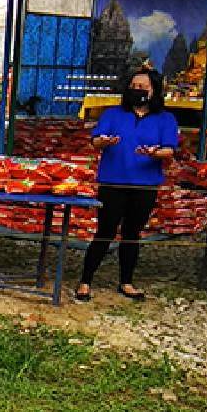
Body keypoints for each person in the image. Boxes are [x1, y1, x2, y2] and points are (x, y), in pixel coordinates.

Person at [75, 69, 178, 302]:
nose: (138, 90)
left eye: (143, 87)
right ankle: (85, 281)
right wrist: (103, 141)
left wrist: (155, 152)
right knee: (105, 232)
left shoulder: (165, 119)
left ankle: (126, 282)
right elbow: (95, 140)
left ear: (154, 91)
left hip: (145, 185)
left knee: (132, 233)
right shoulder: (112, 114)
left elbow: (170, 149)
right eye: (134, 85)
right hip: (113, 182)